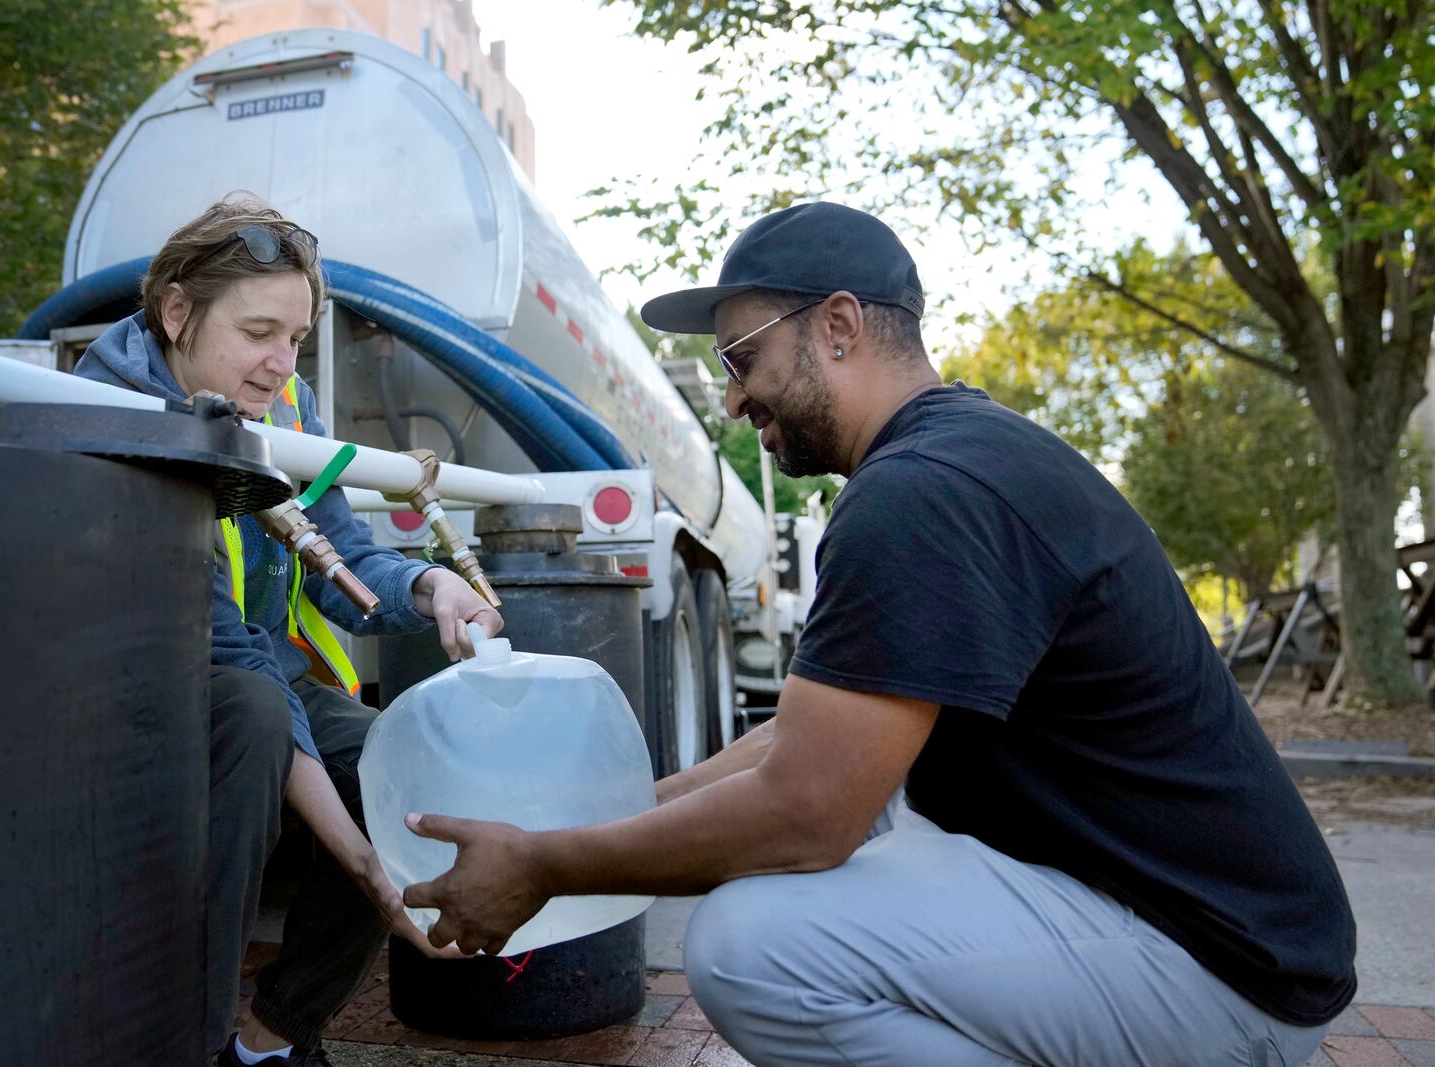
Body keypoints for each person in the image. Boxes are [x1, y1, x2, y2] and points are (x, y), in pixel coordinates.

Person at [396, 202, 1356, 1067]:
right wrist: (613, 817)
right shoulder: (951, 459)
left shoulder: (920, 495)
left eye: (743, 359)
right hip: (1206, 929)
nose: (732, 399)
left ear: (841, 326)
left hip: (1220, 975)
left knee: (754, 946)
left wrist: (545, 868)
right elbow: (812, 736)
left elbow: (808, 810)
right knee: (867, 833)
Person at [75, 193, 499, 1067]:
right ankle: (177, 1033)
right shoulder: (112, 403)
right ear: (178, 312)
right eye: (259, 331)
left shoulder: (290, 407)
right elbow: (220, 642)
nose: (281, 364)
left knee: (395, 765)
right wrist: (360, 861)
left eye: (297, 337)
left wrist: (429, 586)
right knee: (259, 722)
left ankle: (271, 1037)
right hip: (142, 677)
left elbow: (339, 554)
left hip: (264, 667)